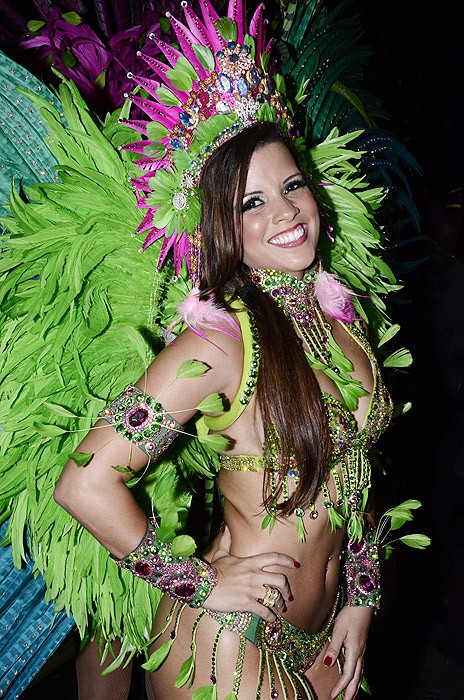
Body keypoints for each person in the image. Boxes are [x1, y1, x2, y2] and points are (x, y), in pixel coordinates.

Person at [54, 117, 390, 700]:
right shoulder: (220, 342)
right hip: (230, 638)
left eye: (293, 186)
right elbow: (85, 483)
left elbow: (356, 477)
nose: (285, 212)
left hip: (324, 634)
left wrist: (360, 598)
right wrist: (196, 582)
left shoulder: (346, 321)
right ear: (217, 230)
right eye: (252, 202)